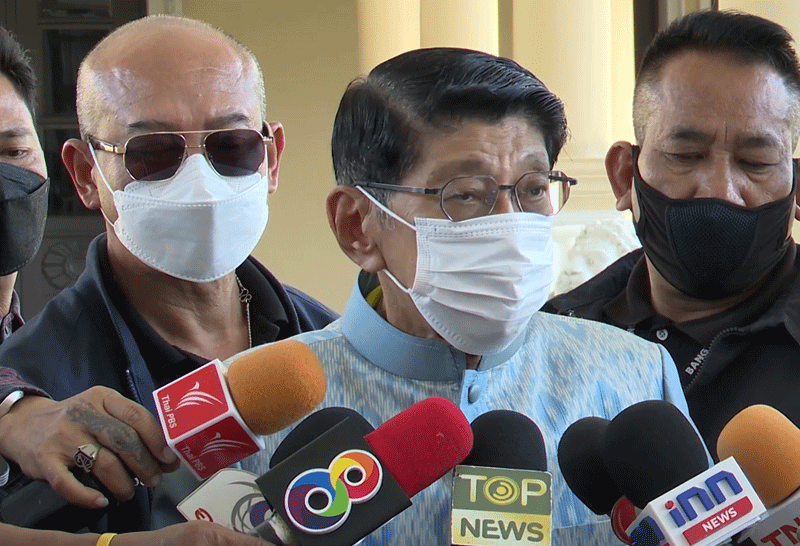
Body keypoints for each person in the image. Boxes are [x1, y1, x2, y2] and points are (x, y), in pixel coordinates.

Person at [239, 47, 693, 546]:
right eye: (466, 194)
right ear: (357, 226)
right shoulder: (253, 413)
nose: (509, 225)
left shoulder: (637, 375)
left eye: (533, 188)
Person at [0, 14, 337, 537]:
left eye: (230, 146)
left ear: (271, 160)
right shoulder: (34, 396)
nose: (200, 182)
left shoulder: (332, 342)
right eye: (153, 153)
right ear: (86, 175)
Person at [544, 9, 800, 453]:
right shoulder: (555, 337)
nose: (720, 190)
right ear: (624, 176)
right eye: (685, 155)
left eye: (755, 163)